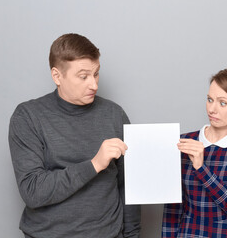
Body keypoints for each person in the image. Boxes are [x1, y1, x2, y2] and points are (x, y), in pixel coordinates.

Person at [8, 33, 141, 238]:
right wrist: (95, 164)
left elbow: (129, 185)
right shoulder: (28, 116)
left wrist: (132, 235)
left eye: (96, 74)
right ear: (57, 76)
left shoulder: (114, 114)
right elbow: (32, 191)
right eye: (83, 76)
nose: (94, 84)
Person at [162, 68, 227, 238]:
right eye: (209, 100)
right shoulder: (185, 141)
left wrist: (201, 168)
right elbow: (173, 208)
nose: (212, 109)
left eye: (222, 103)